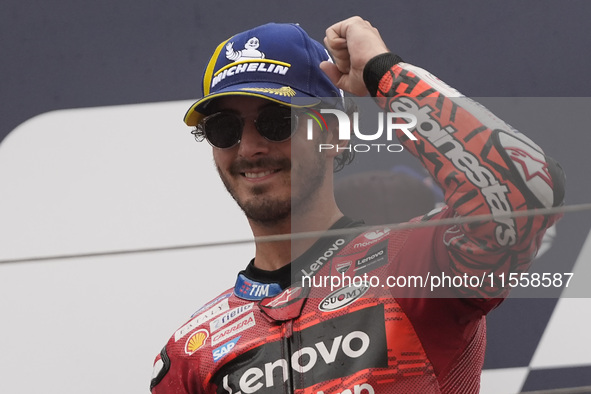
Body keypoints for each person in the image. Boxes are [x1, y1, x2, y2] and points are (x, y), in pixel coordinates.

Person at [150, 17, 565, 393]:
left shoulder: (417, 265)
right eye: (224, 128)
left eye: (276, 121)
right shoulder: (193, 353)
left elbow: (527, 191)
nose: (250, 146)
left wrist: (385, 74)